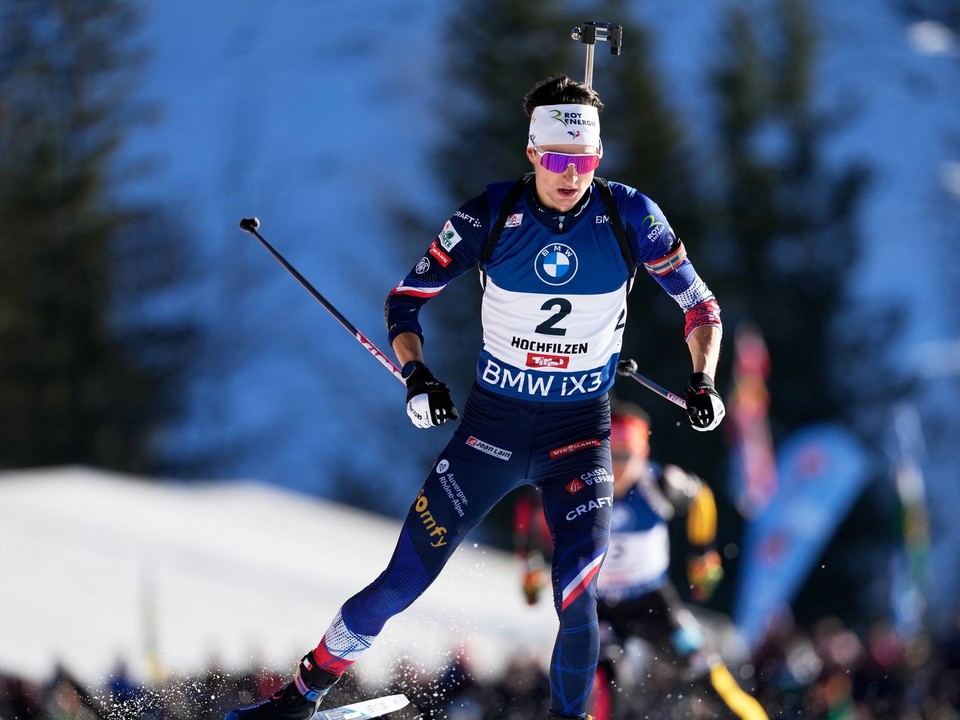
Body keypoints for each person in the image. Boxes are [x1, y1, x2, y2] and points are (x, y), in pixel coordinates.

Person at [225, 73, 725, 720]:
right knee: (402, 580)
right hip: (493, 431)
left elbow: (699, 305)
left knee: (579, 600)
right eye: (557, 159)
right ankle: (301, 693)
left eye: (584, 160)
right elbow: (407, 300)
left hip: (579, 437)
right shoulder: (488, 215)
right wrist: (417, 375)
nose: (571, 174)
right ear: (532, 153)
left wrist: (703, 381)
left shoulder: (629, 215)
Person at [589, 402, 768, 720]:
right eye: (609, 454)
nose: (617, 467)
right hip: (600, 608)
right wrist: (530, 561)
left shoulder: (658, 483)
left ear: (642, 453)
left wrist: (703, 555)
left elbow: (700, 497)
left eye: (626, 455)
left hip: (653, 602)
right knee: (603, 689)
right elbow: (532, 503)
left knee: (711, 677)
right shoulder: (583, 483)